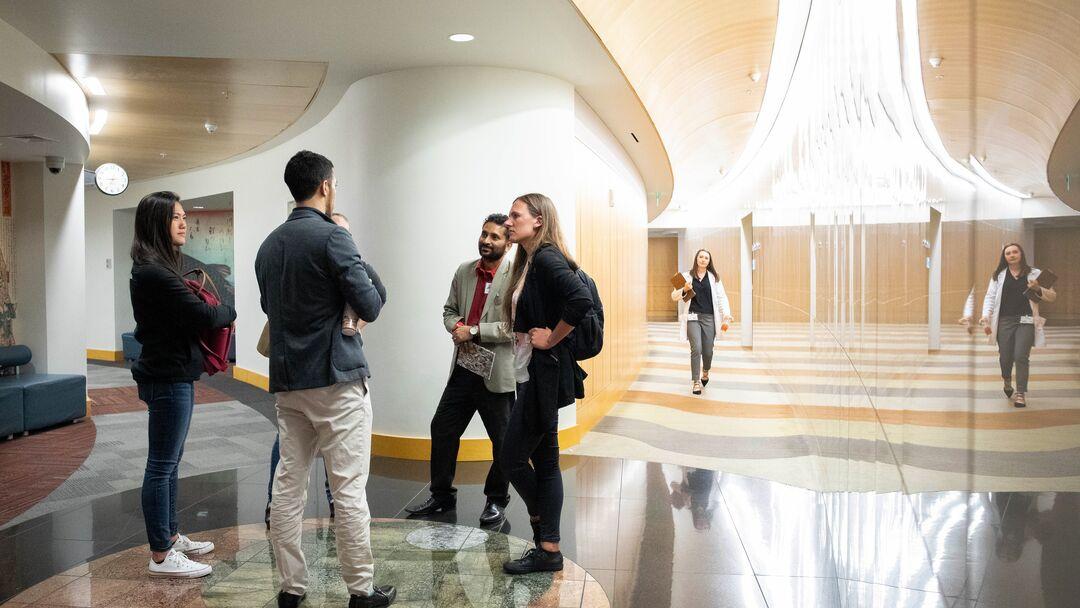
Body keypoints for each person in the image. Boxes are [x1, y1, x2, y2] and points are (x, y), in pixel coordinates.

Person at [255, 151, 394, 608]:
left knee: (288, 484)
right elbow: (371, 304)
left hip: (288, 384)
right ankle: (361, 590)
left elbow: (269, 310)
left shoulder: (269, 246)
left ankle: (291, 588)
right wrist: (350, 242)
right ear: (326, 186)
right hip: (336, 381)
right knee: (348, 488)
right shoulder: (334, 239)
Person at [129, 191, 236, 578]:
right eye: (174, 217)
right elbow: (204, 314)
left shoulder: (159, 269)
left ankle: (170, 536)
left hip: (173, 374)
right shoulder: (155, 273)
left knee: (169, 462)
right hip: (166, 377)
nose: (183, 222)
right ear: (156, 223)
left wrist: (217, 313)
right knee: (161, 465)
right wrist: (229, 312)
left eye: (183, 216)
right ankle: (160, 554)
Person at [498, 193, 593, 575]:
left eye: (515, 215)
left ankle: (544, 529)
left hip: (544, 372)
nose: (508, 221)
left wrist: (551, 338)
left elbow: (580, 299)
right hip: (534, 372)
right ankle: (548, 546)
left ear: (538, 220)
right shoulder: (530, 260)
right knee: (548, 460)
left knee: (511, 457)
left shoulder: (548, 257)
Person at [405, 214, 515, 526]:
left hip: (497, 373)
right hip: (465, 367)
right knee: (442, 428)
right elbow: (449, 310)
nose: (486, 241)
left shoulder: (516, 275)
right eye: (484, 234)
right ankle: (441, 495)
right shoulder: (464, 271)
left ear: (507, 243)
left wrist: (475, 331)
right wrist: (456, 325)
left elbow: (514, 326)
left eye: (495, 237)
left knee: (503, 441)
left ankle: (496, 500)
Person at [263, 212, 366, 529]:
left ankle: (290, 579)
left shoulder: (272, 248)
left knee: (290, 472)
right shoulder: (330, 259)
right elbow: (374, 302)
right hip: (331, 375)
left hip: (290, 377)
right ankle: (359, 581)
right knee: (345, 479)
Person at [979, 243, 1057, 408]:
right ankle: (1007, 380)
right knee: (1005, 357)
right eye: (1008, 253)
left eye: (1015, 252)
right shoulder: (998, 275)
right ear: (1004, 257)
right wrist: (985, 315)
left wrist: (1038, 288)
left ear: (1021, 254)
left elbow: (1052, 296)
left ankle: (1020, 393)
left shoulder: (1035, 273)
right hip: (1004, 321)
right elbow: (990, 297)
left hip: (1026, 320)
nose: (1012, 255)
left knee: (1021, 356)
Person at [671, 249, 732, 395]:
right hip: (692, 317)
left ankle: (706, 371)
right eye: (701, 257)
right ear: (696, 259)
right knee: (696, 349)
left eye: (706, 258)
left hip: (709, 318)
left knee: (708, 351)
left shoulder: (714, 277)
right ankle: (696, 381)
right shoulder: (686, 276)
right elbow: (674, 296)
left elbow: (722, 297)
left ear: (709, 261)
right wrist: (684, 289)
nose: (703, 259)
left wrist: (727, 315)